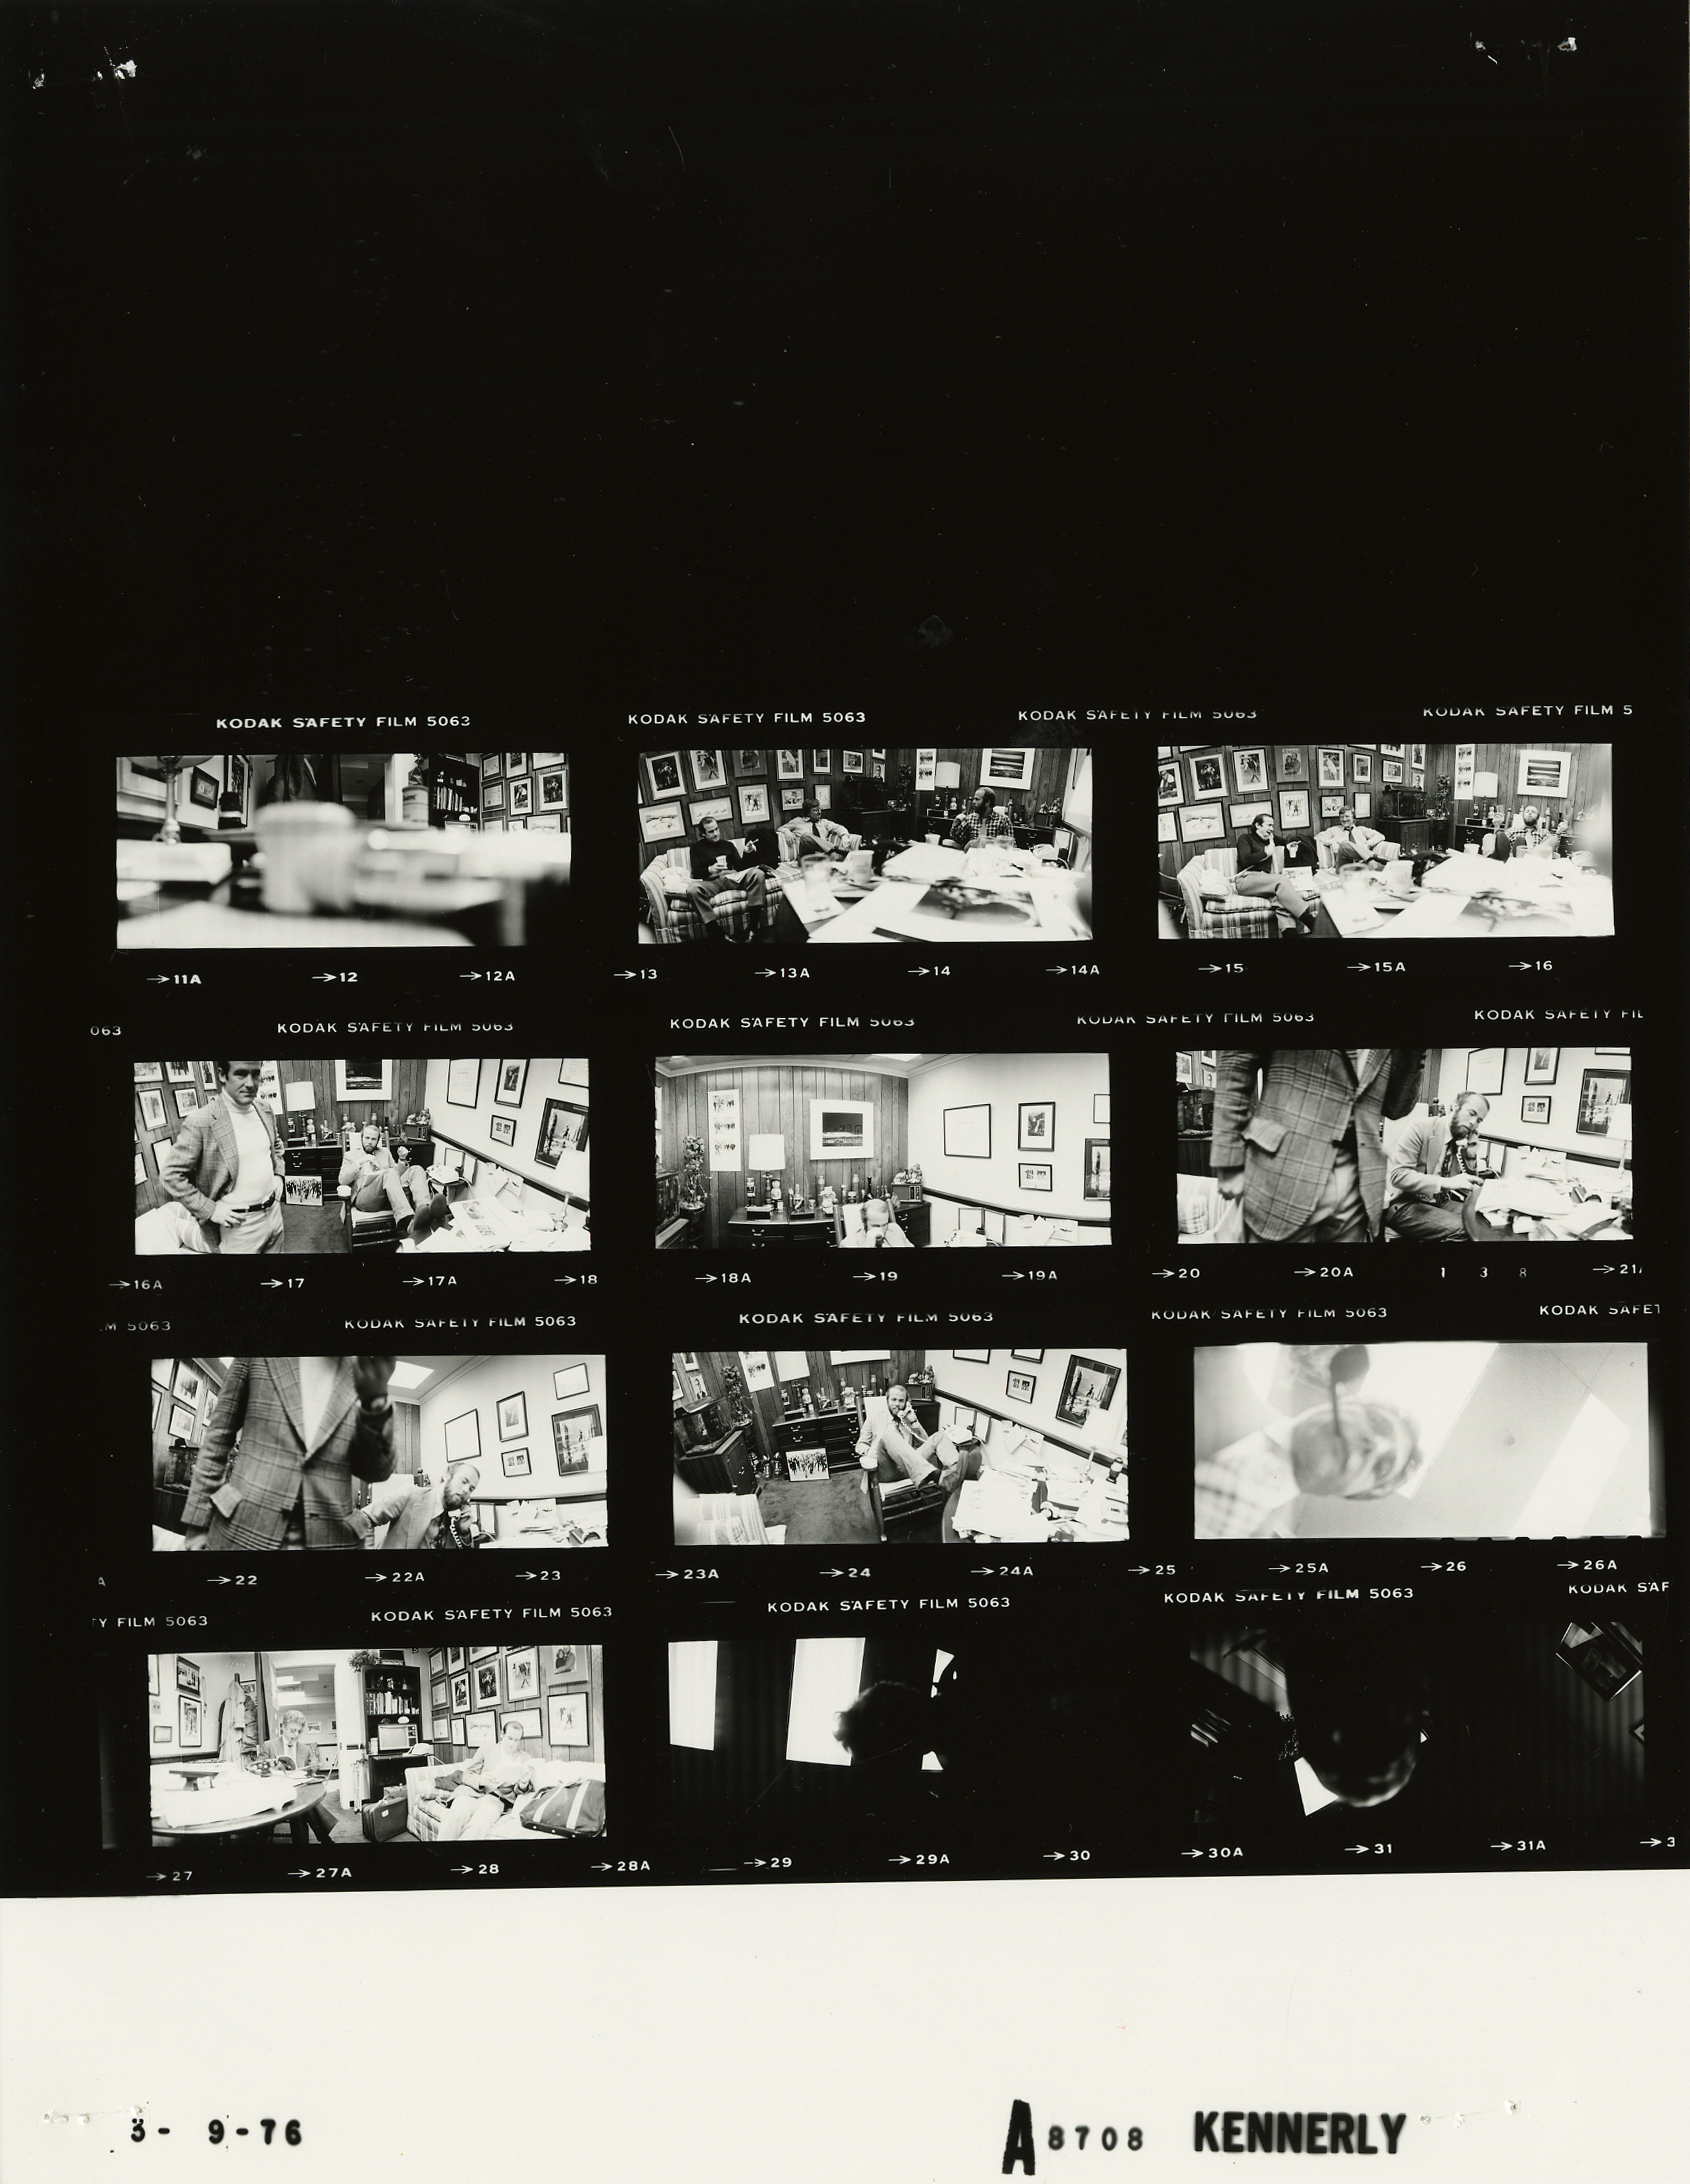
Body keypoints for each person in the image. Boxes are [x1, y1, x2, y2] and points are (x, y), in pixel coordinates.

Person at [1194, 1345, 1424, 1537]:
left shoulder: (1259, 1528)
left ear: (1356, 1492)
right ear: (1345, 1401)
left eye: (1381, 1467)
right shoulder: (1215, 1364)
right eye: (1376, 1422)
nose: (1374, 1445)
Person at [180, 1355, 398, 1550]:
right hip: (241, 1532)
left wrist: (374, 1401)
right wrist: (197, 1525)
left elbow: (375, 1472)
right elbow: (218, 1435)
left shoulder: (364, 1368)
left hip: (333, 1540)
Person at [1210, 1048, 1427, 1243]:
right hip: (1283, 1169)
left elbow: (1396, 1107)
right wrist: (1228, 1161)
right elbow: (1236, 1061)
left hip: (1360, 1180)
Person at [157, 1059, 286, 1253]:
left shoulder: (264, 1109)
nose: (250, 1083)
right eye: (241, 1074)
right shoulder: (201, 1121)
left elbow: (276, 1145)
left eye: (255, 1074)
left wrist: (279, 1176)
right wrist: (211, 1210)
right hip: (238, 1227)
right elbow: (171, 1175)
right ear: (222, 1075)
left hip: (274, 1213)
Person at [1384, 1090, 1492, 1241]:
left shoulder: (1459, 1139)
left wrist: (1470, 1155)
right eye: (1471, 1113)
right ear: (1455, 1106)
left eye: (1479, 1120)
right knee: (1464, 1229)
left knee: (1483, 1220)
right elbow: (1398, 1176)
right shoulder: (1420, 1127)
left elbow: (1466, 1187)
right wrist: (1444, 1182)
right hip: (1405, 1204)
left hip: (1439, 1202)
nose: (1473, 1122)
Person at [425, 1718, 540, 1843]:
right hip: (471, 1792)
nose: (512, 1743)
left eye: (516, 1740)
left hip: (496, 1799)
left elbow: (520, 1792)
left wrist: (523, 1784)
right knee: (457, 1814)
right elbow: (467, 1774)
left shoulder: (525, 1758)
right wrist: (480, 1780)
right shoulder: (486, 1749)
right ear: (502, 1734)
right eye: (509, 1738)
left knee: (478, 1825)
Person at [352, 1461, 482, 1549]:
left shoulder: (453, 1518)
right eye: (463, 1481)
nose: (466, 1490)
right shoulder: (410, 1495)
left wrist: (463, 1532)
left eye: (471, 1488)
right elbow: (363, 1518)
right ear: (447, 1476)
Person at [255, 1707, 339, 1843]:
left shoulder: (305, 1750)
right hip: (275, 1792)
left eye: (299, 1731)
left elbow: (312, 1768)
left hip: (297, 1790)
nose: (296, 1735)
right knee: (302, 1805)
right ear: (283, 1728)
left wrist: (311, 1770)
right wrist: (274, 1768)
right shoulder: (269, 1746)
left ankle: (304, 1846)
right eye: (292, 1730)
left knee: (298, 1806)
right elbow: (258, 1769)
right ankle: (324, 1839)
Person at [1230, 813, 1323, 933]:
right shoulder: (1245, 838)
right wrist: (1266, 853)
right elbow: (1245, 859)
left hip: (1264, 881)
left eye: (1273, 826)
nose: (1272, 828)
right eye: (1269, 825)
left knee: (1282, 900)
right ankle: (1310, 920)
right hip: (1246, 879)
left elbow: (1285, 841)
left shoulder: (1270, 839)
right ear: (1258, 825)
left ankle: (1290, 935)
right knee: (1282, 880)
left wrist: (1289, 845)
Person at [854, 1384, 958, 1487]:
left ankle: (956, 1475)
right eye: (893, 1400)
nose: (897, 1404)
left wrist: (914, 1422)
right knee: (888, 1435)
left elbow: (925, 1442)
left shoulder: (907, 1418)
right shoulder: (874, 1418)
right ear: (887, 1400)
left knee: (939, 1436)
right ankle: (934, 1475)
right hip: (888, 1469)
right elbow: (860, 1445)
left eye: (901, 1401)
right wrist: (868, 1451)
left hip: (911, 1466)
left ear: (906, 1402)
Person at [682, 814, 768, 939]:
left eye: (716, 829)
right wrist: (709, 869)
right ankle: (718, 934)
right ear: (703, 834)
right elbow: (695, 872)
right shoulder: (696, 848)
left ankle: (753, 927)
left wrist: (746, 853)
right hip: (711, 882)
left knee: (757, 873)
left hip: (730, 878)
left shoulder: (728, 845)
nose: (716, 833)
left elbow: (740, 867)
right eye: (711, 831)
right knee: (692, 889)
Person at [339, 1122, 417, 1222]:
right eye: (367, 1138)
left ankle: (424, 1209)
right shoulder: (350, 1155)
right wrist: (360, 1162)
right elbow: (342, 1180)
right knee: (389, 1172)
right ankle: (406, 1219)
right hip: (364, 1198)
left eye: (373, 1139)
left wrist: (402, 1159)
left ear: (378, 1140)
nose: (369, 1142)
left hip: (386, 1196)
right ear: (361, 1138)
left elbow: (397, 1175)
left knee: (416, 1169)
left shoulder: (384, 1152)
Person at [1315, 804, 1390, 870]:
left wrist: (1368, 844)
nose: (1344, 819)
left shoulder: (1361, 830)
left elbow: (1380, 836)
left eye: (1347, 816)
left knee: (1378, 866)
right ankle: (1374, 856)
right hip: (1343, 866)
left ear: (1353, 818)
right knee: (1344, 844)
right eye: (1341, 817)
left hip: (1362, 863)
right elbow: (1318, 837)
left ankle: (1385, 862)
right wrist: (1332, 842)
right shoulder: (1334, 830)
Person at [837, 1197, 913, 1250]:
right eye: (876, 1226)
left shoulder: (895, 1229)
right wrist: (869, 1246)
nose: (881, 1231)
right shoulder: (848, 1244)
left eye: (885, 1224)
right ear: (864, 1222)